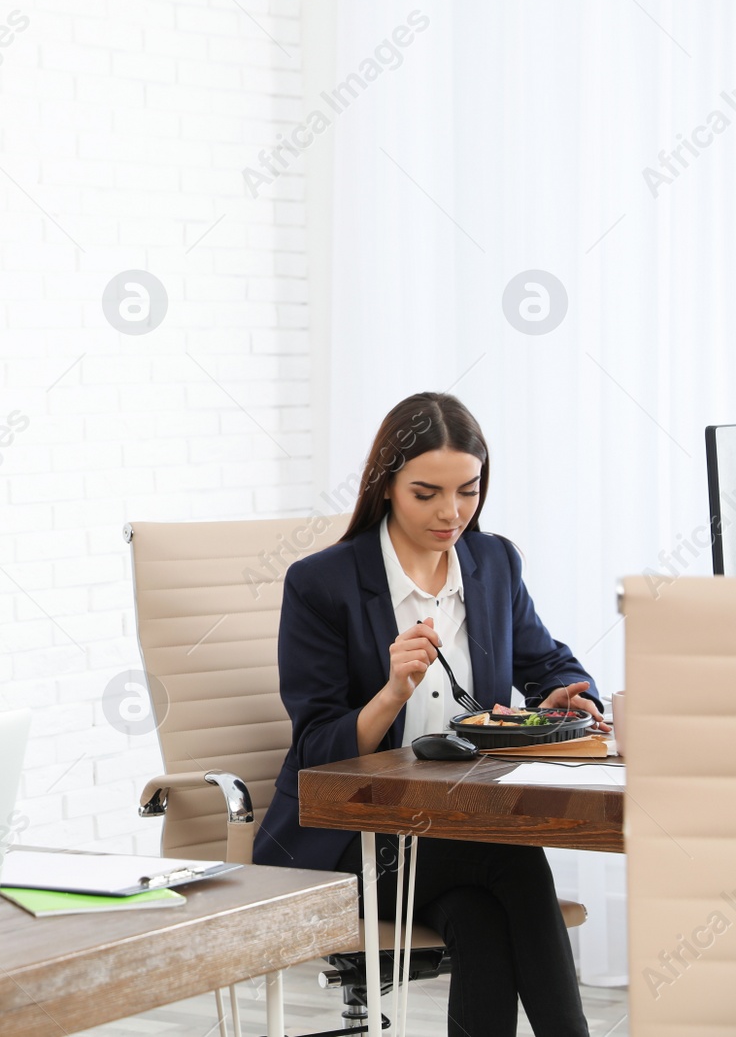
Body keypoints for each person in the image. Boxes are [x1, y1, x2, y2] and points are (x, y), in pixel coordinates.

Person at [255, 392, 601, 1037]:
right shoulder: (321, 583)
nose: (452, 513)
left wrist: (572, 696)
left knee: (479, 916)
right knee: (512, 860)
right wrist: (391, 691)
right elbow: (316, 749)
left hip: (455, 834)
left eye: (468, 491)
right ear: (386, 485)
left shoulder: (493, 562)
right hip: (351, 839)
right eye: (427, 494)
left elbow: (549, 662)